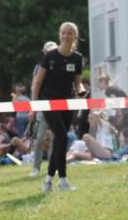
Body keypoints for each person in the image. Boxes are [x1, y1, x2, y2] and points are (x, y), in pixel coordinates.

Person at [31, 22, 86, 193]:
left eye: (70, 33)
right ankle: (62, 180)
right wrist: (34, 107)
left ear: (74, 37)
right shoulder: (49, 56)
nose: (66, 36)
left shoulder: (77, 58)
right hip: (47, 102)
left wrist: (82, 91)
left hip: (67, 103)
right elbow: (37, 83)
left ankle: (49, 180)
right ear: (59, 35)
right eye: (63, 33)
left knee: (60, 140)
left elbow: (78, 83)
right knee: (62, 135)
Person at [29, 41, 58, 177]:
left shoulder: (60, 67)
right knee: (39, 138)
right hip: (42, 105)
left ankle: (53, 167)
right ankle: (36, 168)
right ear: (44, 52)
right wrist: (33, 108)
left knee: (55, 138)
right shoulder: (38, 68)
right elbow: (34, 87)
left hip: (57, 106)